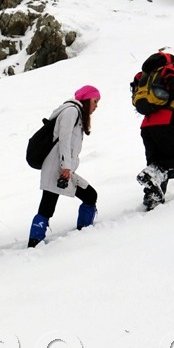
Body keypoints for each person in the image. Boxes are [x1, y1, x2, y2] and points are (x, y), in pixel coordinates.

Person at [28, 85, 101, 247]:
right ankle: (35, 242)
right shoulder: (71, 111)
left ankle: (35, 241)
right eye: (95, 101)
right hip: (59, 169)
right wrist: (66, 167)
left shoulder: (76, 113)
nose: (96, 106)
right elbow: (64, 139)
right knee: (86, 197)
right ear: (87, 99)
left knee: (49, 204)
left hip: (62, 168)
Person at [136, 53, 174, 210]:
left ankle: (152, 198)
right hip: (167, 123)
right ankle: (152, 180)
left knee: (157, 164)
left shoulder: (155, 76)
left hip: (147, 126)